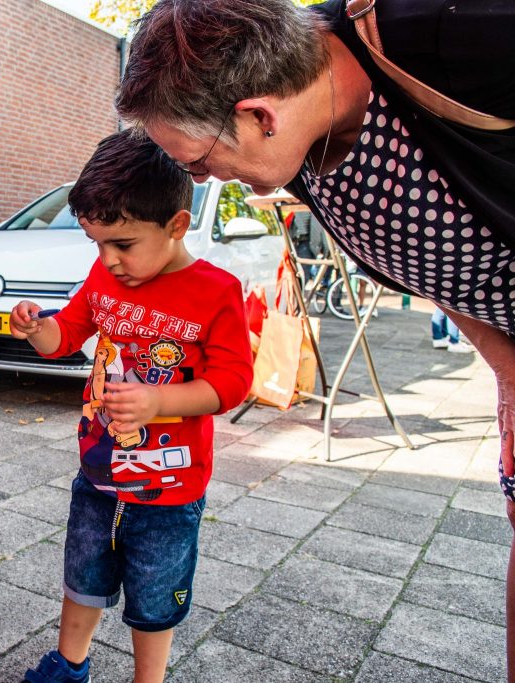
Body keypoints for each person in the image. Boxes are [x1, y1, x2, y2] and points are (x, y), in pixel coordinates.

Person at [114, 0, 515, 676]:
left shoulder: (450, 30)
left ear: (259, 116)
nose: (203, 180)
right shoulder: (301, 139)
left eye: (201, 163)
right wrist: (507, 374)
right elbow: (451, 271)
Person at [9, 130, 253, 683]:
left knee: (155, 597)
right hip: (98, 474)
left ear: (176, 225)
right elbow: (67, 334)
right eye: (96, 244)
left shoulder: (215, 291)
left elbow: (234, 382)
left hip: (170, 487)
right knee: (83, 577)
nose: (108, 260)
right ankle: (69, 665)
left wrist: (160, 399)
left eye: (122, 244)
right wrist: (37, 328)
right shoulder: (104, 276)